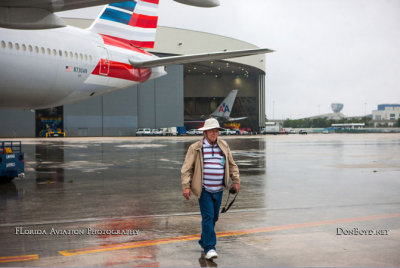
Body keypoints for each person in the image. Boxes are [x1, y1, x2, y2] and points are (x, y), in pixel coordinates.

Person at [181, 118, 240, 260]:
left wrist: (236, 180)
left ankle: (203, 240)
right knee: (207, 217)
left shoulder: (223, 145)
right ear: (205, 132)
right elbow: (186, 169)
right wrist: (186, 186)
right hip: (204, 190)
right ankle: (210, 248)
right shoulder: (195, 148)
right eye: (211, 130)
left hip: (219, 189)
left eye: (216, 130)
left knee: (214, 218)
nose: (214, 133)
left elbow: (232, 164)